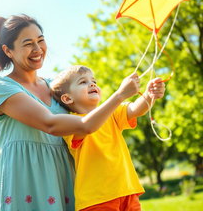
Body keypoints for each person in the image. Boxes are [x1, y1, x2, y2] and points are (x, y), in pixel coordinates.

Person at [0, 14, 142, 211]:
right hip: (27, 178)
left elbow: (90, 113)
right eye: (28, 44)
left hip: (64, 175)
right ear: (8, 50)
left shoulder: (57, 86)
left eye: (40, 40)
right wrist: (120, 95)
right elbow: (52, 124)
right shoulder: (2, 86)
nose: (37, 49)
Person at [50, 65, 165, 211]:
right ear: (67, 98)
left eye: (94, 81)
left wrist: (150, 94)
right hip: (97, 199)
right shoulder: (71, 123)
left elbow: (136, 109)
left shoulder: (112, 113)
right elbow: (87, 127)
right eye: (82, 82)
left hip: (127, 191)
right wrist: (119, 94)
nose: (92, 84)